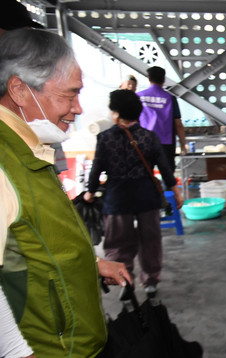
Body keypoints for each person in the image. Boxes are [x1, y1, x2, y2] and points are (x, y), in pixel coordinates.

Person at [0, 28, 131, 357]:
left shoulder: (27, 147)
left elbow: (33, 241)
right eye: (69, 95)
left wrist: (92, 262)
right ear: (19, 89)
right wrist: (17, 351)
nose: (78, 108)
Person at [84, 89, 183, 298]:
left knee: (118, 244)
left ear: (116, 113)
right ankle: (151, 281)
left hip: (117, 199)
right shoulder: (149, 137)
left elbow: (96, 169)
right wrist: (176, 191)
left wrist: (90, 193)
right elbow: (165, 169)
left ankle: (124, 280)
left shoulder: (105, 138)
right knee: (151, 241)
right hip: (146, 197)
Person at [137, 66, 186, 172]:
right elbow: (178, 124)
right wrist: (183, 144)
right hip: (166, 143)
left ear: (148, 78)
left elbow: (132, 121)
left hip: (143, 142)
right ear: (163, 79)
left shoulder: (138, 97)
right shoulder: (170, 98)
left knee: (144, 175)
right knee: (168, 177)